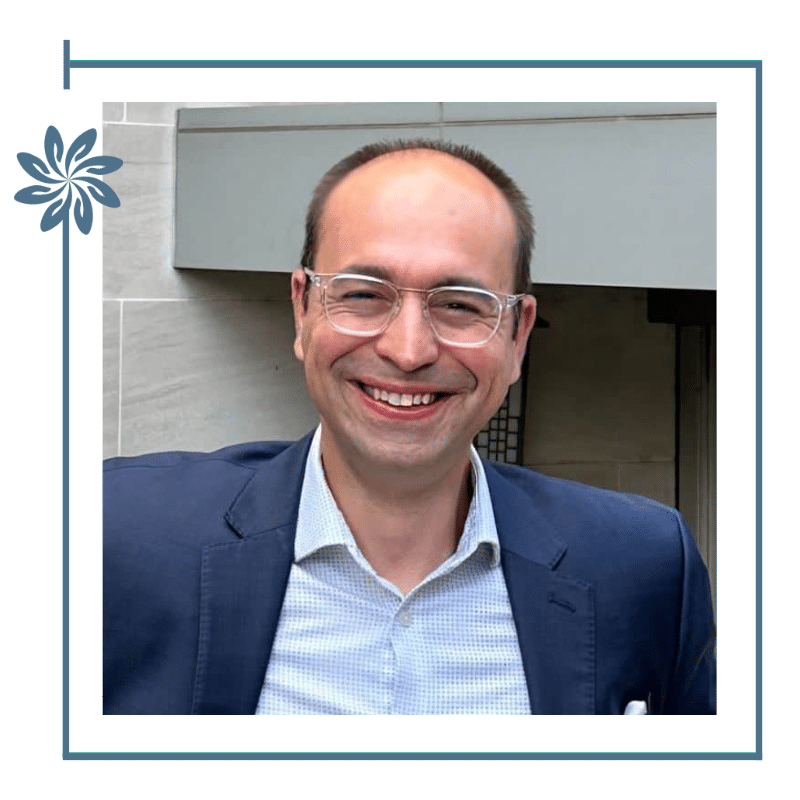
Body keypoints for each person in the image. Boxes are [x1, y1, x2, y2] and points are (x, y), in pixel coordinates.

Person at [103, 139, 717, 715]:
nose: (408, 350)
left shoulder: (642, 566)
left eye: (460, 304)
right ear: (302, 309)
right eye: (364, 294)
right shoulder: (112, 534)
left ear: (517, 336)